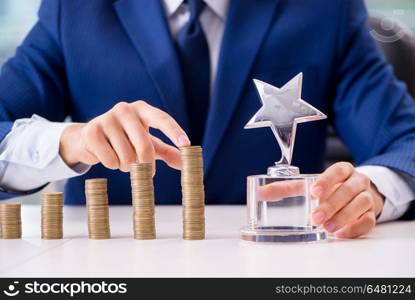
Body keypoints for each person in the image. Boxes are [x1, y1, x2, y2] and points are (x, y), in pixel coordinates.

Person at [0, 0, 414, 239]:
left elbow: (406, 141)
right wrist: (67, 141)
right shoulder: (73, 9)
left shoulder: (325, 10)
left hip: (275, 267)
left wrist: (373, 190)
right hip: (115, 267)